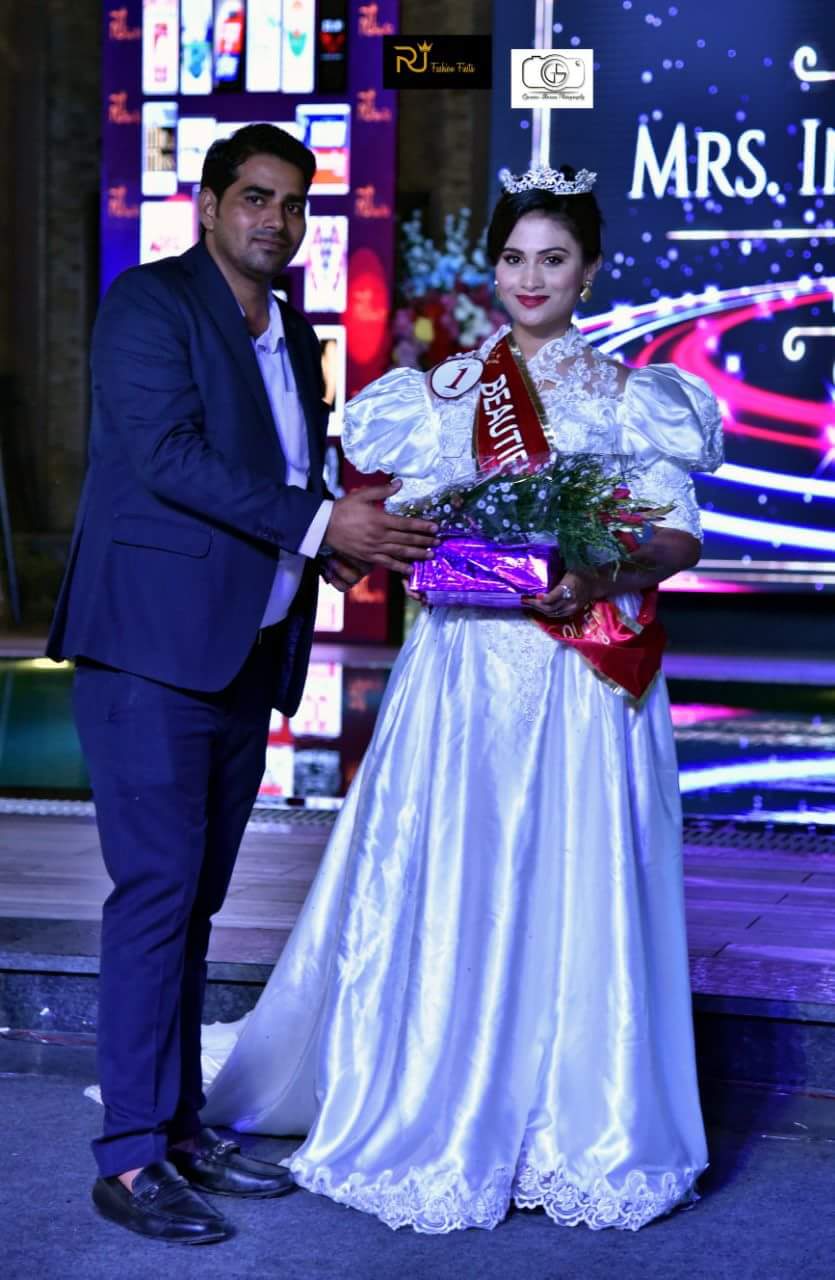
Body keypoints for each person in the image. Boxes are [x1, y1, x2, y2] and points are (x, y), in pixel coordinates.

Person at [201, 163, 724, 1233]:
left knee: (579, 873)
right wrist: (421, 553)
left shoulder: (634, 395)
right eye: (514, 257)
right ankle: (440, 1090)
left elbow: (676, 536)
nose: (531, 278)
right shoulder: (438, 395)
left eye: (553, 259)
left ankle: (578, 1115)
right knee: (460, 875)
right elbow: (404, 524)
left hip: (582, 677)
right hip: (465, 676)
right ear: (493, 268)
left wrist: (603, 571)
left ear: (588, 270)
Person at [46, 123, 436, 1246]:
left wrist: (333, 547)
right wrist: (320, 524)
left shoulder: (293, 329)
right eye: (255, 197)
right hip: (148, 649)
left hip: (239, 650)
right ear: (210, 205)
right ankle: (130, 1159)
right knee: (156, 894)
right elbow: (169, 456)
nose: (277, 219)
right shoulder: (150, 305)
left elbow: (283, 475)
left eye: (294, 202)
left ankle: (177, 1128)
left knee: (194, 902)